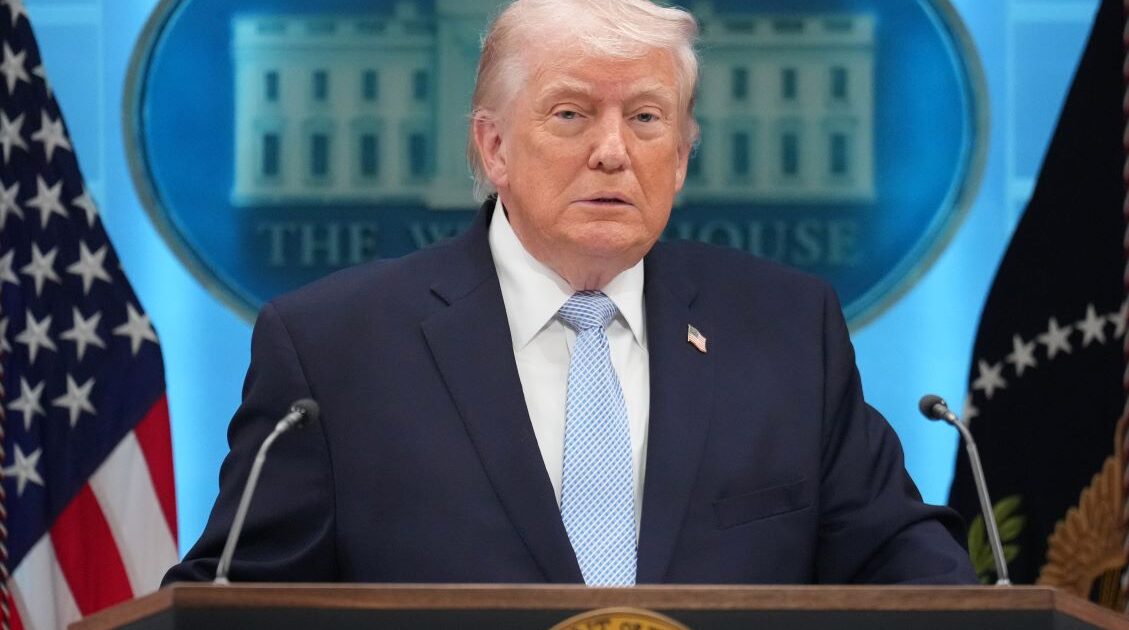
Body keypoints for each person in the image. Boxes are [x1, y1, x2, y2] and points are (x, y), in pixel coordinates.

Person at [165, 0, 975, 586]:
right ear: (493, 148)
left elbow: (905, 568)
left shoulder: (789, 331)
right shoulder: (334, 348)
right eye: (571, 114)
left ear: (681, 157)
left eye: (647, 118)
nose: (613, 151)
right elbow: (236, 600)